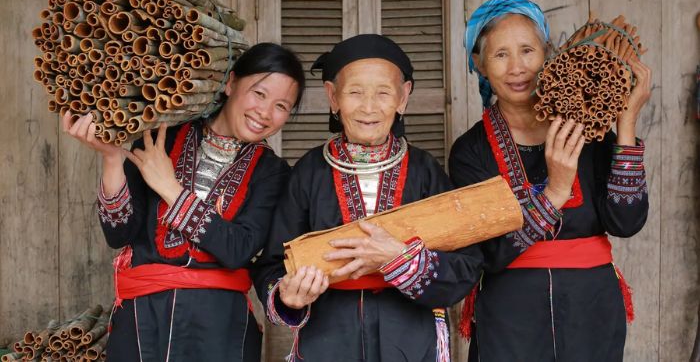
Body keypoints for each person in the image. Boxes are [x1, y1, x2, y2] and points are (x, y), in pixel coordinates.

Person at [253, 34, 560, 362]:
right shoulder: (308, 173)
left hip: (412, 342)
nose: (369, 107)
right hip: (329, 342)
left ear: (403, 97)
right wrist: (288, 295)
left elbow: (467, 265)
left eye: (383, 93)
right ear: (333, 96)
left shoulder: (426, 172)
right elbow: (272, 264)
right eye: (355, 92)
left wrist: (401, 258)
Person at [63, 43, 305, 362]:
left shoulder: (272, 172)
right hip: (142, 320)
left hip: (222, 328)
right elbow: (118, 234)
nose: (265, 112)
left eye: (281, 106)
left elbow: (238, 249)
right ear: (231, 83)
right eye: (259, 94)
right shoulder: (162, 138)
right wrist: (111, 157)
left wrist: (170, 189)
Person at [448, 0, 651, 361]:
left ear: (548, 53)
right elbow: (488, 254)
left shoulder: (588, 130)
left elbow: (626, 221)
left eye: (527, 50)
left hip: (591, 308)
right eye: (500, 54)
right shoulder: (470, 152)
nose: (517, 67)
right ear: (479, 64)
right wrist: (555, 192)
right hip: (510, 316)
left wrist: (626, 125)